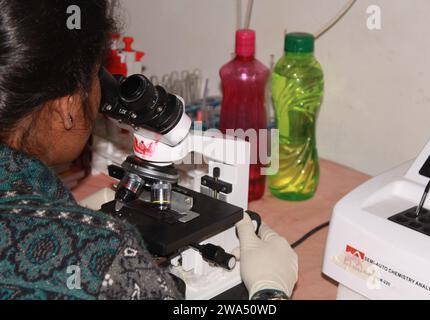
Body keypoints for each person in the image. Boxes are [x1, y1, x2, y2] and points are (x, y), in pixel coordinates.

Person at [0, 0, 298, 300]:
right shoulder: (105, 262)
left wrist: (68, 215)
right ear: (67, 106)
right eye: (96, 75)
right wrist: (270, 291)